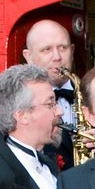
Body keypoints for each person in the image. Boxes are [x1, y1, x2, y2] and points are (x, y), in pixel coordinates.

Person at [21, 19, 78, 168]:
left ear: (72, 50)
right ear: (28, 57)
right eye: (47, 49)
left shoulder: (93, 95)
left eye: (63, 48)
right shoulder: (15, 104)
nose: (57, 57)